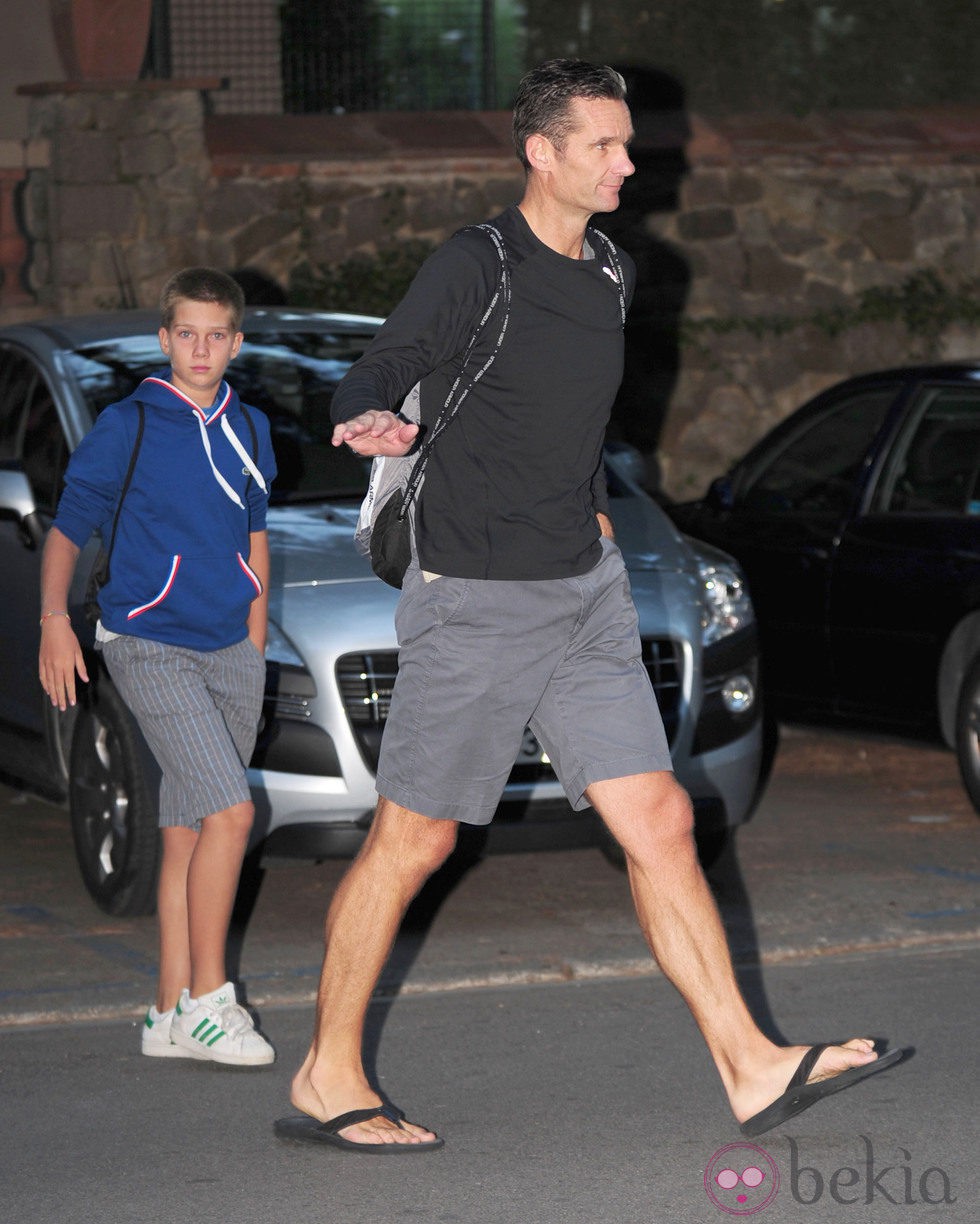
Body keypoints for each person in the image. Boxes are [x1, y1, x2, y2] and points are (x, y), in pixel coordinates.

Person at [276, 59, 902, 1152]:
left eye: (626, 144)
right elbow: (392, 360)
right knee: (412, 840)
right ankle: (326, 1076)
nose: (626, 164)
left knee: (657, 819)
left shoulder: (613, 269)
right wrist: (368, 414)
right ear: (542, 153)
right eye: (603, 146)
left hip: (582, 589)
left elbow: (565, 423)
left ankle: (749, 1064)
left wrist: (597, 518)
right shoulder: (480, 263)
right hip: (473, 594)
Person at [38, 267, 278, 1066]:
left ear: (236, 343)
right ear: (165, 339)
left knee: (186, 831)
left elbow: (254, 532)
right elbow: (69, 528)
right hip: (147, 641)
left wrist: (254, 637)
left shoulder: (250, 427)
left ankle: (167, 1013)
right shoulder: (128, 424)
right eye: (187, 333)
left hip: (228, 649)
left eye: (217, 335)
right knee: (232, 816)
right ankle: (213, 1002)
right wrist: (53, 622)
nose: (202, 348)